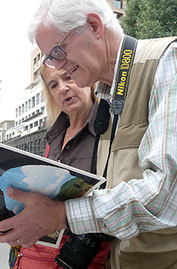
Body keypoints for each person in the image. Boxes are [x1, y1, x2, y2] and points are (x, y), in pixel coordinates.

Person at [0, 0, 177, 268]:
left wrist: (59, 215)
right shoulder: (109, 100)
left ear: (94, 26)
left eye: (58, 51)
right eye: (50, 59)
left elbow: (168, 195)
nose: (57, 65)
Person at [9, 66, 111, 268]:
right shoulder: (54, 137)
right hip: (35, 252)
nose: (62, 88)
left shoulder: (111, 130)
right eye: (53, 85)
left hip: (80, 256)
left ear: (88, 79)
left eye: (68, 78)